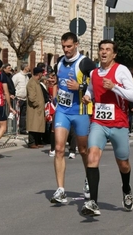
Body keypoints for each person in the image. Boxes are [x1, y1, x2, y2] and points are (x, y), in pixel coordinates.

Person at [80, 39, 133, 216]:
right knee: (92, 157)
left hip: (119, 124)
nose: (104, 52)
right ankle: (93, 202)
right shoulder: (95, 73)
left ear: (114, 54)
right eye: (101, 49)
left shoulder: (121, 70)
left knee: (123, 163)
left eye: (108, 50)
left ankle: (126, 188)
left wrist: (114, 87)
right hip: (98, 122)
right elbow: (91, 88)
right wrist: (88, 96)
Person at [49, 32, 96, 204]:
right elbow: (56, 81)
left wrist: (80, 86)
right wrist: (55, 96)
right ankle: (60, 190)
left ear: (76, 44)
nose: (66, 50)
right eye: (63, 47)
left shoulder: (85, 62)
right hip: (62, 110)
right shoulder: (59, 62)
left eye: (69, 46)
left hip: (80, 111)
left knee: (83, 150)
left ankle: (89, 180)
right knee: (60, 148)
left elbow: (98, 80)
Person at [26, 67, 46, 148]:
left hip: (38, 109)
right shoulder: (31, 83)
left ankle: (37, 141)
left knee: (38, 126)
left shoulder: (37, 82)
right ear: (39, 74)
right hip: (34, 108)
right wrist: (37, 104)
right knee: (33, 126)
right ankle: (32, 142)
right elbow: (32, 97)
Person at [12, 63, 30, 134]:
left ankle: (22, 129)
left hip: (25, 98)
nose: (29, 68)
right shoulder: (17, 76)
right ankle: (15, 129)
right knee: (17, 115)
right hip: (18, 98)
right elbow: (12, 86)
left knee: (23, 115)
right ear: (25, 67)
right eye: (28, 66)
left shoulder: (27, 77)